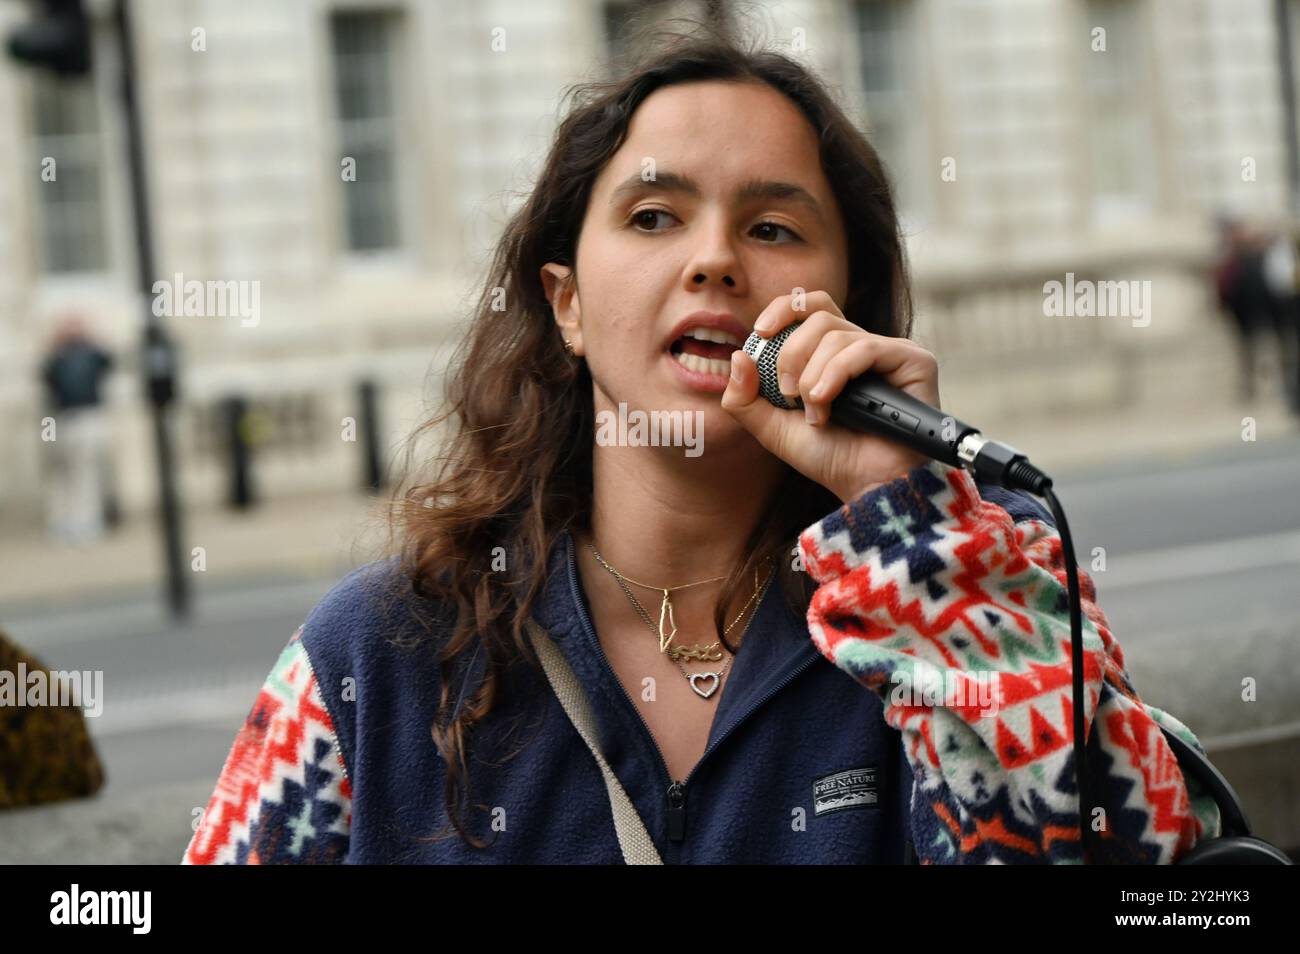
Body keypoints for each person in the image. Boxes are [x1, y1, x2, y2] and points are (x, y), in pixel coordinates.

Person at [183, 29, 1220, 865]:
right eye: (652, 216)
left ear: (844, 306)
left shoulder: (979, 570)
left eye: (772, 229)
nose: (715, 258)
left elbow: (1129, 866)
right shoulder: (377, 652)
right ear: (568, 305)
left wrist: (917, 544)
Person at [40, 314, 115, 545]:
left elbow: (109, 361)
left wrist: (92, 336)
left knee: (87, 472)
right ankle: (63, 522)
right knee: (61, 473)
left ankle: (87, 521)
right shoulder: (57, 356)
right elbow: (47, 378)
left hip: (88, 416)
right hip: (61, 418)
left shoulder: (92, 353)